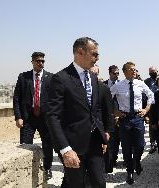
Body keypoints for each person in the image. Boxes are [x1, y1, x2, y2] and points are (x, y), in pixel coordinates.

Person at [46, 37, 113, 188]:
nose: (97, 58)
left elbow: (95, 110)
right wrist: (65, 149)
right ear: (80, 52)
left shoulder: (93, 79)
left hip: (95, 144)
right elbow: (52, 117)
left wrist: (103, 134)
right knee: (76, 184)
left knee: (100, 183)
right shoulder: (61, 78)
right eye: (94, 54)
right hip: (72, 146)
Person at [110, 62, 154, 185]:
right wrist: (115, 111)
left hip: (138, 118)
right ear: (125, 72)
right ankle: (129, 171)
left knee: (140, 145)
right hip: (125, 119)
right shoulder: (118, 86)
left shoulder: (140, 84)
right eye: (131, 69)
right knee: (126, 147)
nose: (134, 71)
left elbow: (151, 95)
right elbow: (107, 97)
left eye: (135, 69)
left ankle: (137, 162)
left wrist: (146, 109)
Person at [13, 52, 53, 179]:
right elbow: (17, 98)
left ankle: (47, 168)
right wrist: (18, 117)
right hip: (28, 118)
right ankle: (25, 170)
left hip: (45, 118)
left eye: (42, 61)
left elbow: (55, 99)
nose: (40, 63)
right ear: (32, 62)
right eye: (38, 61)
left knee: (47, 144)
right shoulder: (23, 77)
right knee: (25, 146)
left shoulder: (51, 78)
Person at [103, 65, 121, 173]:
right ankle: (108, 164)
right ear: (109, 73)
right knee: (109, 141)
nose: (116, 75)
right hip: (108, 117)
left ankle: (114, 159)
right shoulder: (104, 85)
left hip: (120, 118)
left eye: (118, 73)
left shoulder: (122, 85)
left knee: (118, 140)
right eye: (114, 73)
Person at [144, 66, 159, 154]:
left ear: (157, 71)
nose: (152, 73)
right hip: (151, 106)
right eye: (150, 72)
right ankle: (153, 144)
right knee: (151, 126)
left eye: (153, 71)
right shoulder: (146, 82)